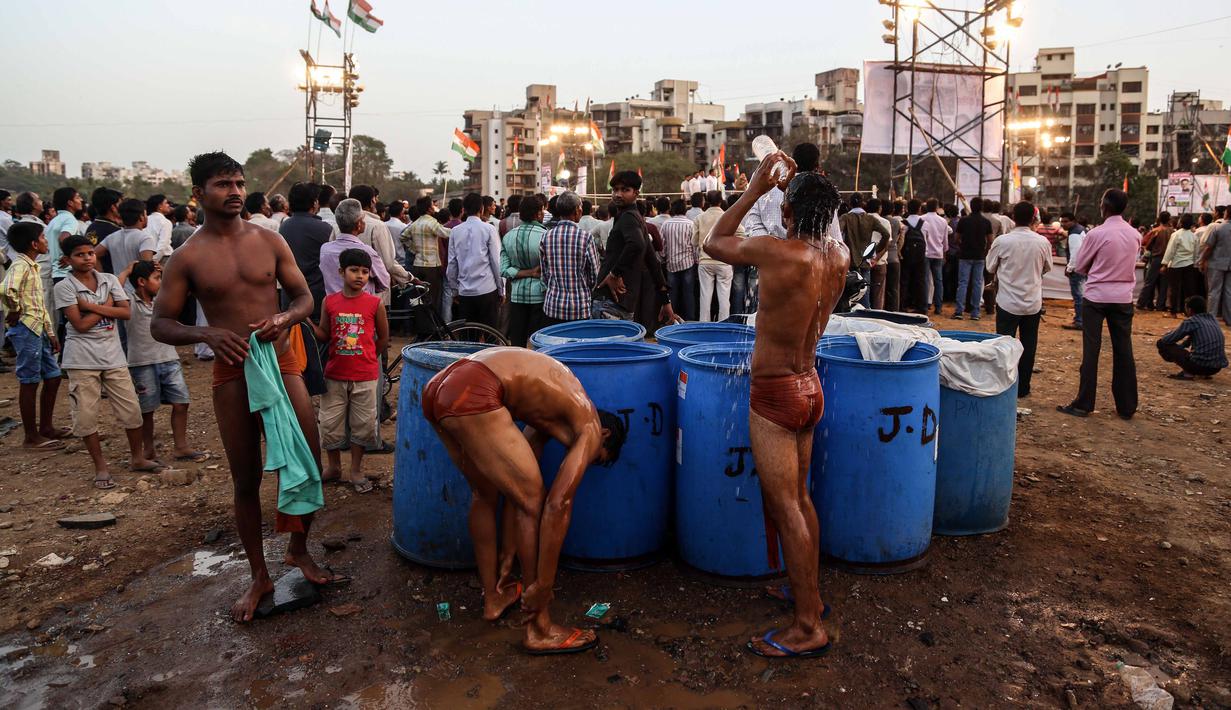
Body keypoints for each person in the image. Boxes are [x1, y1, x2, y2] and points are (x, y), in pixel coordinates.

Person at [151, 151, 342, 622]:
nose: (234, 191)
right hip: (232, 373)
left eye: (238, 183)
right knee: (246, 478)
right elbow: (160, 323)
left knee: (307, 462)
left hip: (283, 362)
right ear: (198, 194)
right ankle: (259, 575)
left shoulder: (269, 240)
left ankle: (298, 548)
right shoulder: (187, 257)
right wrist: (206, 333)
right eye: (222, 184)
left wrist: (284, 317)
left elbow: (303, 296)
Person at [704, 152, 845, 659]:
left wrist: (755, 188)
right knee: (801, 501)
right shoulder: (836, 257)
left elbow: (714, 241)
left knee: (785, 506)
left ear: (787, 211)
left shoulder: (781, 253)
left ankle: (808, 626)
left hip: (776, 393)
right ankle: (806, 594)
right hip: (810, 387)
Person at [422, 346, 627, 654]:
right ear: (606, 435)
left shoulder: (545, 414)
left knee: (486, 493)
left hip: (439, 388)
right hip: (475, 388)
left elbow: (515, 491)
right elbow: (558, 505)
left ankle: (494, 597)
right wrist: (544, 585)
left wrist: (510, 552)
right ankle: (539, 629)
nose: (586, 461)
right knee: (536, 502)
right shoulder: (591, 425)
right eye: (597, 459)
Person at [56, 235, 164, 488]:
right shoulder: (64, 287)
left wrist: (91, 306)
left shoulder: (108, 280)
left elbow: (125, 313)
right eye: (80, 254)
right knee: (85, 415)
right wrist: (106, 306)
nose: (87, 258)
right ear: (67, 259)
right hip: (82, 359)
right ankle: (100, 467)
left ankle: (137, 457)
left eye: (90, 253)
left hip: (113, 356)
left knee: (131, 410)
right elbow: (80, 325)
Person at [308, 248, 388, 492]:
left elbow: (384, 339)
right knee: (330, 423)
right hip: (334, 375)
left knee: (362, 424)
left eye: (365, 272)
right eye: (354, 270)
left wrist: (368, 358)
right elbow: (324, 335)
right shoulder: (329, 302)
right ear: (341, 272)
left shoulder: (375, 303)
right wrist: (308, 325)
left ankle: (355, 469)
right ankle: (333, 467)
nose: (360, 276)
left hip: (365, 376)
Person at [1059, 189, 1140, 420]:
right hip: (1123, 297)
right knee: (1124, 350)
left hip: (1096, 297)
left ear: (1103, 206)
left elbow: (1081, 266)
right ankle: (1126, 406)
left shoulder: (1096, 233)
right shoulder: (1134, 234)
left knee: (1091, 351)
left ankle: (1084, 404)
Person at [124, 260, 206, 463]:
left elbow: (184, 287)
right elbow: (115, 288)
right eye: (156, 278)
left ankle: (181, 446)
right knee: (147, 410)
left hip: (169, 358)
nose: (160, 282)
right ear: (141, 281)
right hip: (142, 362)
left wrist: (167, 272)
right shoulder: (129, 301)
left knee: (181, 402)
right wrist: (126, 271)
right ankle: (148, 450)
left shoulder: (163, 302)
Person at [0, 222, 67, 450]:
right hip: (27, 329)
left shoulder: (32, 266)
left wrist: (50, 333)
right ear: (33, 243)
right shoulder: (21, 265)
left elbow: (38, 305)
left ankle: (46, 428)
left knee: (53, 376)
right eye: (43, 237)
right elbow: (5, 289)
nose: (46, 241)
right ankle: (31, 436)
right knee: (29, 381)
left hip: (37, 329)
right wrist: (15, 309)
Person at [986, 201, 1052, 398]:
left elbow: (990, 267)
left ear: (1013, 217)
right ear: (1034, 218)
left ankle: (1004, 383)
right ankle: (1023, 387)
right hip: (1032, 302)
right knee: (1029, 345)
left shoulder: (1003, 241)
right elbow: (1047, 268)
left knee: (1004, 345)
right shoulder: (1042, 242)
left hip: (1007, 301)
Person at [593, 171, 674, 330]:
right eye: (615, 190)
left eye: (624, 190)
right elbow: (652, 262)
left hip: (610, 302)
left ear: (636, 193)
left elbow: (636, 244)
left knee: (605, 352)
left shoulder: (628, 217)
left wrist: (614, 273)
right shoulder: (636, 217)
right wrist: (666, 301)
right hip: (624, 303)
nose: (618, 194)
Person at [540, 194, 601, 326]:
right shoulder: (586, 238)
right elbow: (594, 276)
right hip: (579, 308)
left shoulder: (546, 236)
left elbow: (544, 274)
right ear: (577, 211)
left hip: (553, 307)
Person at [280, 182, 337, 320]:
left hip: (289, 298)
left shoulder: (284, 226)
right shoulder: (323, 228)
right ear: (315, 202)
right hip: (314, 299)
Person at [446, 193, 503, 330]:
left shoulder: (455, 231)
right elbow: (496, 261)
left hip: (465, 291)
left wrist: (454, 290)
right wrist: (501, 289)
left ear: (464, 209)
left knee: (469, 338)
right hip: (487, 289)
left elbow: (452, 264)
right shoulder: (489, 229)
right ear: (481, 208)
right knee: (491, 335)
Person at [501, 194, 548, 347]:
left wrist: (525, 272)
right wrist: (533, 272)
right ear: (538, 213)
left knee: (518, 343)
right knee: (538, 343)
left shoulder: (508, 237)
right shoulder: (546, 236)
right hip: (540, 296)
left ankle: (516, 370)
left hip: (516, 296)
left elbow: (504, 270)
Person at [319, 199, 389, 298]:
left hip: (334, 306)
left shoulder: (325, 249)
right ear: (359, 224)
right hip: (361, 307)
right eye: (363, 219)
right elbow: (384, 282)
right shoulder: (367, 252)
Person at [838, 193, 891, 309]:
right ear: (863, 203)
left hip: (850, 262)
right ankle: (867, 317)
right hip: (865, 262)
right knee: (865, 294)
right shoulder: (870, 219)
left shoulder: (845, 218)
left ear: (850, 204)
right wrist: (875, 251)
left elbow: (838, 235)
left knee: (849, 296)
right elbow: (886, 235)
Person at [1156, 296, 1226, 380]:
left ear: (1190, 309)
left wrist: (1173, 344)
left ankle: (1188, 373)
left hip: (1198, 365)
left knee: (1161, 343)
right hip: (1216, 368)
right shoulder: (1212, 319)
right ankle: (1202, 373)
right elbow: (1191, 339)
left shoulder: (1191, 321)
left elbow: (1168, 339)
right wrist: (1181, 347)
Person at [402, 196, 452, 315]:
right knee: (432, 299)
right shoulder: (432, 223)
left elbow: (403, 237)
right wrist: (460, 230)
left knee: (419, 300)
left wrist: (414, 249)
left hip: (417, 265)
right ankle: (431, 329)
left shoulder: (415, 224)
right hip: (432, 267)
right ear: (430, 208)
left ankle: (422, 328)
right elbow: (445, 233)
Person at [694, 190, 738, 322]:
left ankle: (704, 326)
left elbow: (694, 241)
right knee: (724, 298)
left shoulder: (699, 218)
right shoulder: (727, 216)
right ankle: (723, 325)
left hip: (705, 260)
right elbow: (741, 232)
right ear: (721, 201)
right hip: (723, 261)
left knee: (705, 297)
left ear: (707, 201)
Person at [951, 197, 992, 320]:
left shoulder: (964, 221)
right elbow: (990, 240)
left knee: (963, 283)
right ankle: (975, 312)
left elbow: (956, 238)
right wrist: (985, 251)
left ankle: (959, 311)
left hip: (965, 255)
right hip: (979, 256)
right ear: (982, 207)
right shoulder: (986, 222)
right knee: (977, 284)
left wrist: (961, 246)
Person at [660, 199, 700, 321]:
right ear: (685, 210)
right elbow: (694, 245)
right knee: (688, 294)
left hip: (671, 264)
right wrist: (696, 260)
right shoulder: (690, 224)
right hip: (688, 263)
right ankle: (690, 320)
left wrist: (664, 256)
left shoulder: (666, 224)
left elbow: (662, 245)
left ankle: (672, 319)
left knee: (672, 295)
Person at [96, 199, 156, 274]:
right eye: (146, 214)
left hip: (118, 283)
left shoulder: (111, 237)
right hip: (137, 285)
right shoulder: (145, 238)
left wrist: (101, 275)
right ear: (141, 217)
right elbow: (147, 269)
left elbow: (94, 254)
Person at [1161, 213, 1201, 317]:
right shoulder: (1194, 236)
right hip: (1189, 264)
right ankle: (1189, 312)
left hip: (1176, 264)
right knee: (1189, 289)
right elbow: (1196, 253)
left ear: (1181, 223)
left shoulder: (1176, 235)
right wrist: (1195, 264)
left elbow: (1170, 250)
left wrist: (1165, 264)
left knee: (1174, 289)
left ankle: (1173, 312)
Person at [920, 198, 952, 315]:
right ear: (937, 207)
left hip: (926, 253)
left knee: (926, 280)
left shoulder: (921, 219)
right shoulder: (942, 221)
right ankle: (938, 307)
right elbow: (945, 240)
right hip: (938, 253)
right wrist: (944, 252)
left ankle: (925, 305)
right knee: (939, 281)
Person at [1200, 209, 1231, 325]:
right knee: (1229, 292)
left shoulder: (1217, 227)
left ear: (1226, 213)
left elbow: (1209, 247)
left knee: (1214, 291)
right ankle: (1229, 319)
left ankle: (1210, 318)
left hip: (1216, 263)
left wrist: (1203, 260)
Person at [900, 199, 930, 315]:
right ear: (919, 209)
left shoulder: (903, 224)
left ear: (907, 209)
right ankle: (921, 307)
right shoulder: (925, 224)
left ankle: (903, 306)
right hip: (921, 256)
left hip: (906, 256)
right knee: (921, 281)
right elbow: (927, 239)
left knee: (905, 281)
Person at [1137, 213, 1172, 311]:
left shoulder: (1155, 231)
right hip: (1167, 259)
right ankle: (1160, 305)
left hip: (1156, 258)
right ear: (1169, 220)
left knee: (1149, 282)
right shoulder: (1172, 231)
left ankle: (1141, 303)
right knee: (1164, 284)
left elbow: (1145, 244)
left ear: (1159, 220)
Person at [1060, 212, 1087, 330]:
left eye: (1066, 221)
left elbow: (1075, 254)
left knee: (1078, 295)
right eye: (1062, 221)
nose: (1063, 224)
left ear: (1073, 221)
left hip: (1077, 269)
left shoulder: (1074, 234)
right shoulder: (1079, 229)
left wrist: (1069, 268)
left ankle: (1079, 321)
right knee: (1081, 294)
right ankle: (1081, 319)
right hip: (1083, 267)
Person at [145, 194, 175, 262]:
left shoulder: (146, 220)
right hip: (163, 259)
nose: (168, 205)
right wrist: (154, 261)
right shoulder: (166, 222)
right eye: (166, 203)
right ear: (160, 206)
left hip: (147, 256)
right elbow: (163, 245)